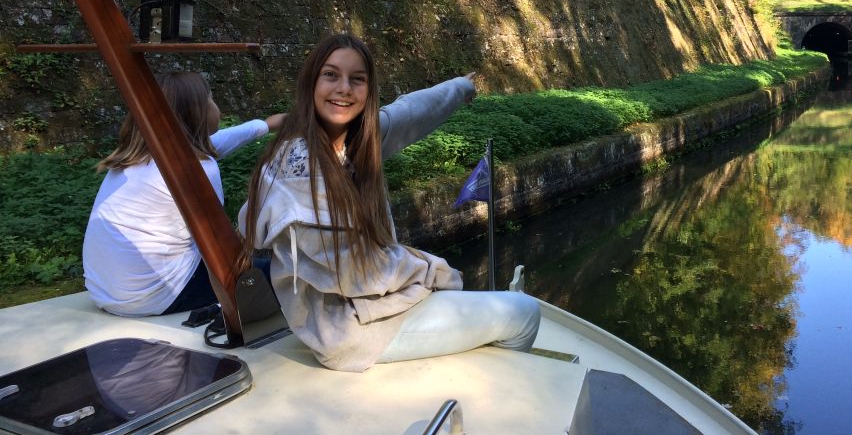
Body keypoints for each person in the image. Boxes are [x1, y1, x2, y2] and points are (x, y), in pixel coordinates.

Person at [239, 33, 540, 372]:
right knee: (524, 313)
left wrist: (459, 87)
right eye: (331, 75)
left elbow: (407, 113)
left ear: (368, 90)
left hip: (371, 309)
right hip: (347, 330)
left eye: (357, 79)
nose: (344, 88)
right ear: (311, 82)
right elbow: (353, 275)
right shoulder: (301, 167)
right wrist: (428, 270)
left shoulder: (352, 140)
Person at [83, 71, 284, 317]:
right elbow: (220, 247)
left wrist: (269, 125)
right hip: (158, 295)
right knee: (279, 273)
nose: (215, 105)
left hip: (106, 291)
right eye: (211, 99)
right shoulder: (198, 168)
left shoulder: (140, 156)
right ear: (197, 113)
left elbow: (216, 142)